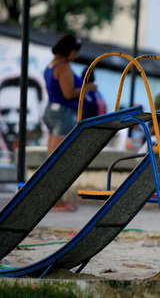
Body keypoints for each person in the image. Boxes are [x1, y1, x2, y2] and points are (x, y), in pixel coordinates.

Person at [43, 34, 96, 212]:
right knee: (58, 162)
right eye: (76, 52)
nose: (77, 56)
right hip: (63, 114)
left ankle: (51, 199)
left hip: (51, 111)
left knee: (50, 160)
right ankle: (56, 202)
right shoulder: (63, 66)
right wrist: (87, 87)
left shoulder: (51, 64)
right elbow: (68, 93)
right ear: (70, 50)